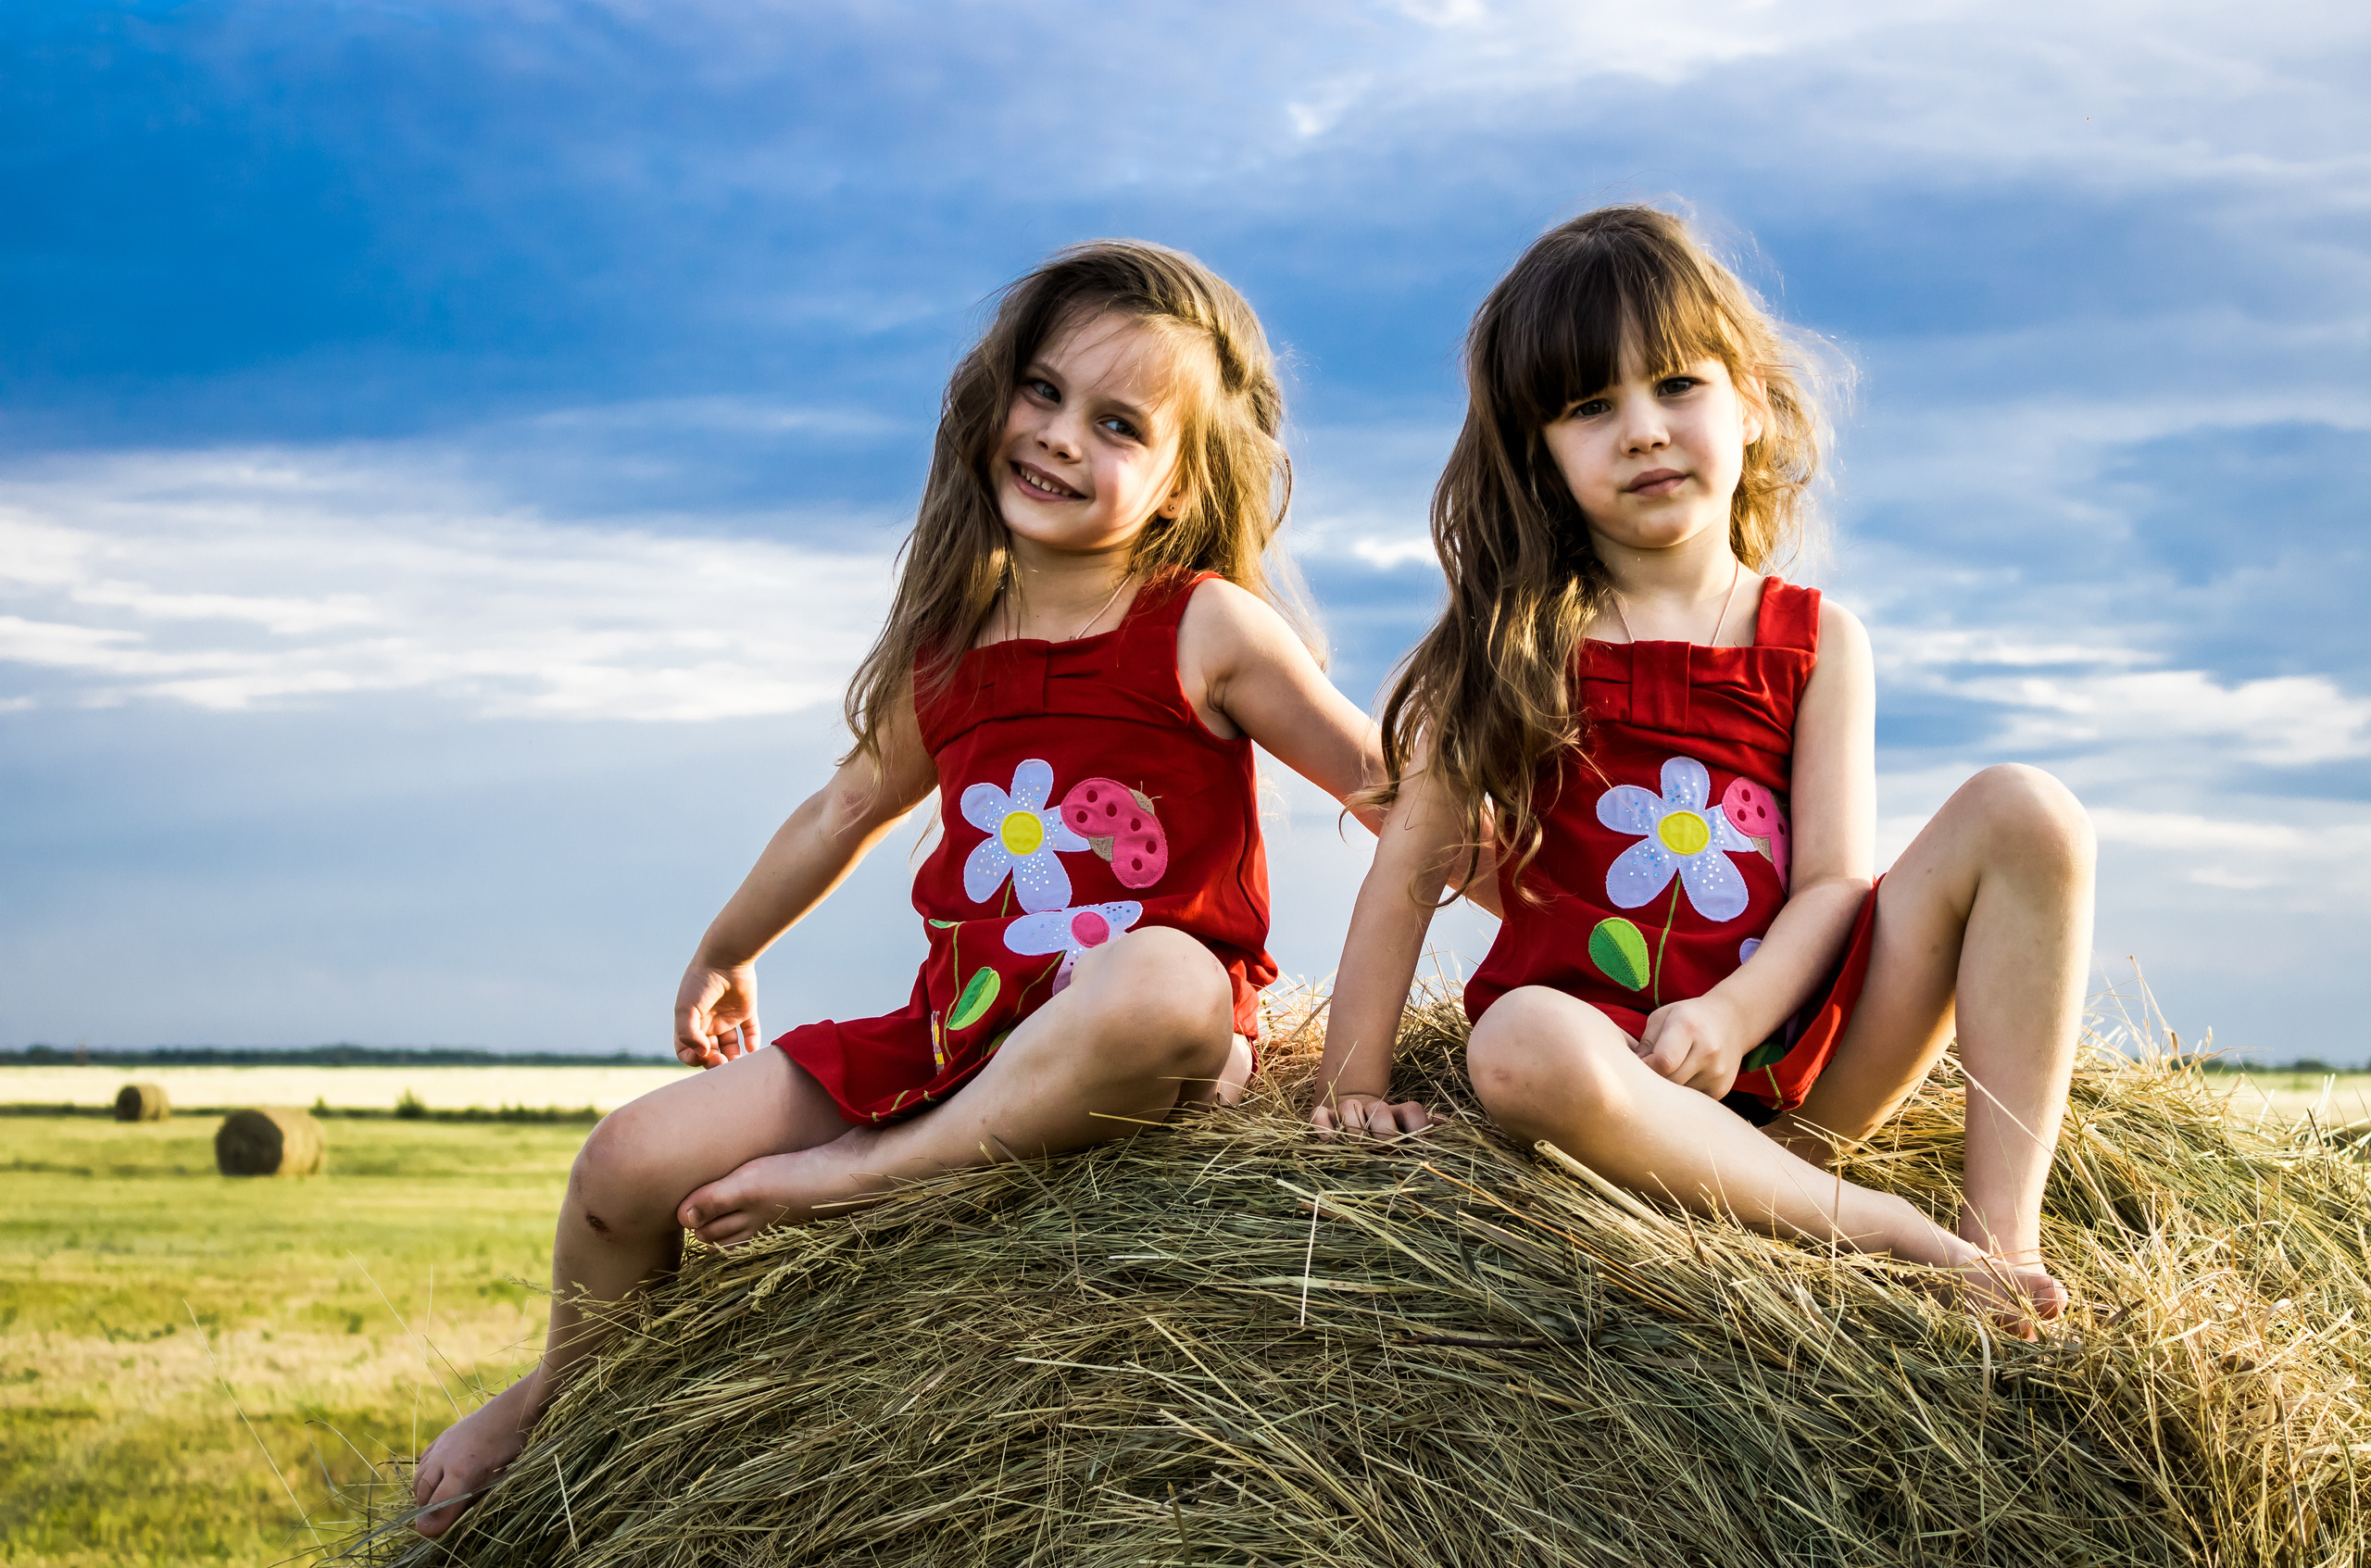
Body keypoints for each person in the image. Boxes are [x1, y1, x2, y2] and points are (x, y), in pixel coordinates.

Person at [412, 242, 1387, 1536]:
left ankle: (873, 1177)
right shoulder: (951, 656)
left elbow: (1391, 792)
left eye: (1115, 424)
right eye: (1041, 392)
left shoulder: (1205, 624)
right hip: (956, 1033)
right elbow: (842, 808)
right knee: (625, 1159)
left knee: (1160, 976)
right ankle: (565, 1404)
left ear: (1177, 483)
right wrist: (726, 946)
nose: (1053, 437)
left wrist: (1546, 944)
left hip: (1142, 1038)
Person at [1313, 206, 2095, 1331]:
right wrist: (1352, 1088)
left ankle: (1998, 1236)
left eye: (1675, 384)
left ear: (1751, 401)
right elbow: (1404, 872)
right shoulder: (1517, 640)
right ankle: (1879, 1230)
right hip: (1610, 1085)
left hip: (1800, 1063)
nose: (1640, 430)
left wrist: (1732, 1015)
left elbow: (1833, 881)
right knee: (1519, 1043)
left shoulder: (1817, 639)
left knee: (2031, 811)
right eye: (1590, 407)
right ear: (1538, 454)